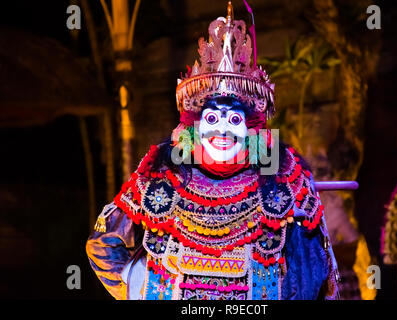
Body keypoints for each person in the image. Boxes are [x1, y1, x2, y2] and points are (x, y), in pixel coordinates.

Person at [86, 2, 340, 300]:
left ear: (252, 128)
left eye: (234, 119)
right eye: (211, 118)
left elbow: (312, 273)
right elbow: (103, 246)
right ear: (194, 125)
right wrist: (137, 283)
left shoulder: (285, 179)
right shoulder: (161, 175)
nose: (222, 130)